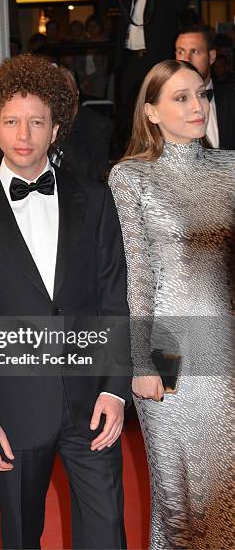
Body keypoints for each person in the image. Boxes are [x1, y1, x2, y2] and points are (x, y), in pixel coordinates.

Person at [0, 54, 131, 549]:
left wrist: (115, 389)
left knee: (105, 535)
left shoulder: (95, 201)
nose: (24, 133)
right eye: (11, 121)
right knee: (19, 538)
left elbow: (115, 299)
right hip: (11, 409)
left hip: (91, 402)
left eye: (37, 121)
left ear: (56, 130)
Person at [109, 59, 235, 549]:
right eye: (180, 97)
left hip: (225, 351)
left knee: (225, 491)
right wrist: (141, 361)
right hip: (170, 353)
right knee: (178, 498)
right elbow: (138, 275)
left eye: (200, 94)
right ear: (152, 112)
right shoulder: (132, 177)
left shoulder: (229, 167)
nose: (196, 106)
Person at [100, 0, 192, 151]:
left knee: (160, 122)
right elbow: (103, 5)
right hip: (129, 60)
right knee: (127, 125)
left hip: (158, 60)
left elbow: (179, 2)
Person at [175, 24, 235, 149]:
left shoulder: (231, 100)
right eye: (181, 52)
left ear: (211, 57)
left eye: (195, 51)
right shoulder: (162, 104)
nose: (186, 59)